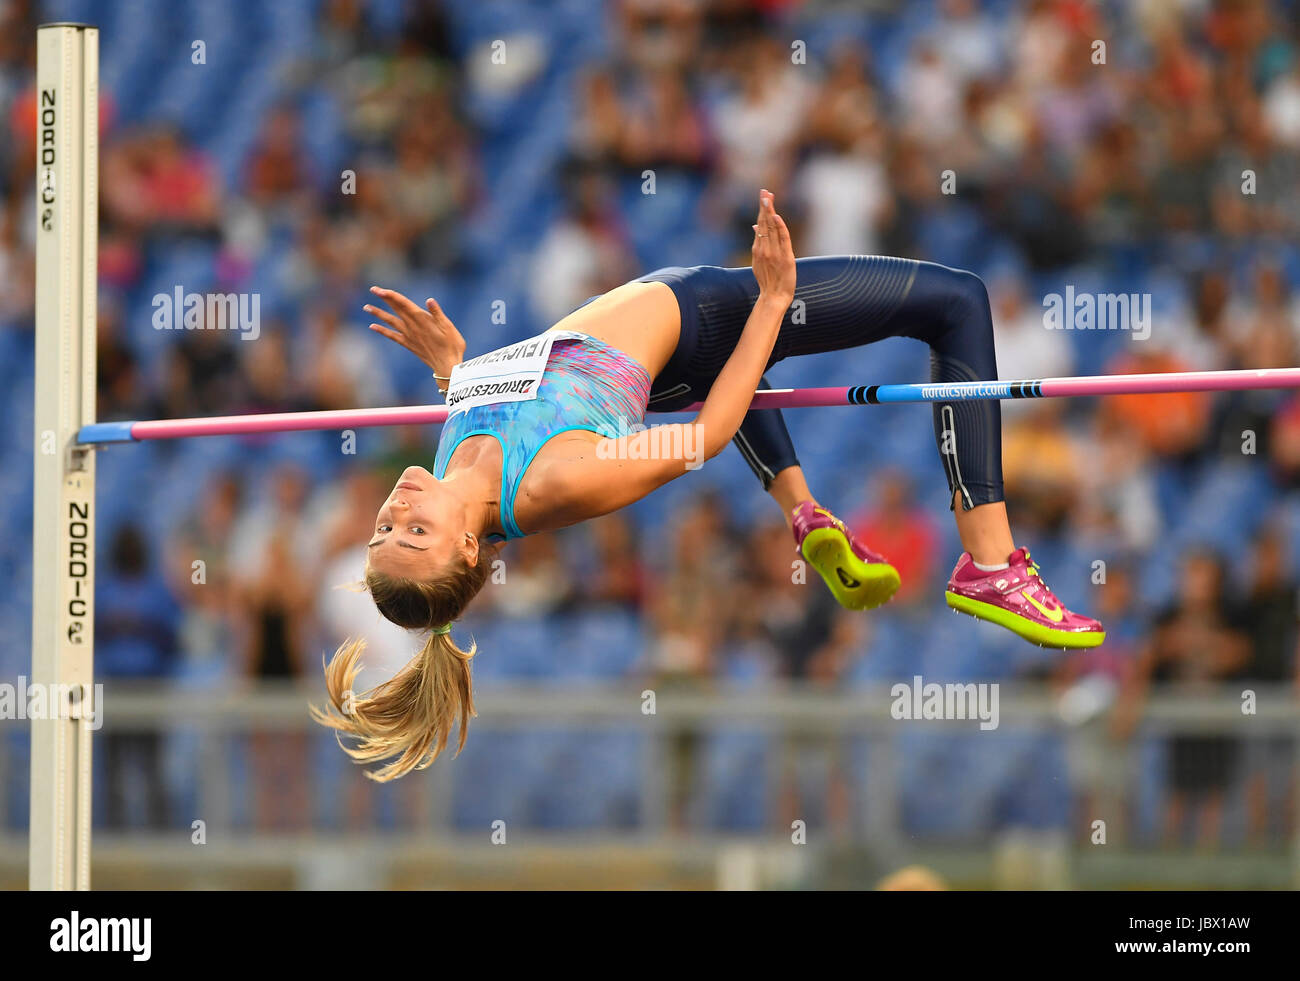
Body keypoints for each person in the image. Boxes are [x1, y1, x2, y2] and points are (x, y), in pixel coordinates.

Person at [312, 190, 1105, 781]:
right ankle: (991, 562)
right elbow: (704, 437)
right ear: (461, 544)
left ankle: (802, 509)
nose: (395, 513)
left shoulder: (457, 453)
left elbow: (531, 392)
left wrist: (456, 369)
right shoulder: (551, 483)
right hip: (711, 318)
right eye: (411, 533)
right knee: (957, 301)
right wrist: (772, 301)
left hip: (674, 344)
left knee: (715, 373)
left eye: (384, 531)